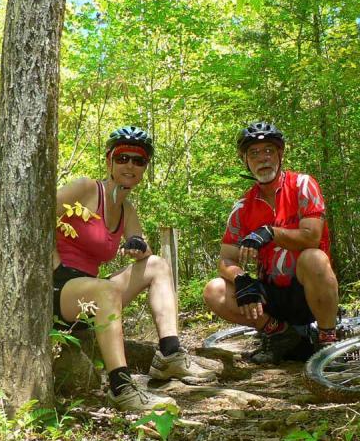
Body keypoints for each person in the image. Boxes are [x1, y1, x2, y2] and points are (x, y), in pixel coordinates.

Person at [53, 126, 215, 411]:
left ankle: (169, 354)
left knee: (157, 265)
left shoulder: (127, 209)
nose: (130, 165)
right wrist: (52, 266)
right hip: (56, 289)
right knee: (103, 291)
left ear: (144, 168)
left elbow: (142, 245)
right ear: (109, 161)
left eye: (139, 160)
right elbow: (35, 216)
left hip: (90, 293)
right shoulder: (86, 189)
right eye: (123, 158)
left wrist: (138, 245)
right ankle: (121, 387)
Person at [203, 122, 339, 363]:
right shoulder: (243, 206)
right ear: (245, 161)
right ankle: (279, 334)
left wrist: (270, 232)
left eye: (268, 150)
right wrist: (241, 279)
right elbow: (226, 258)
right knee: (215, 290)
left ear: (280, 154)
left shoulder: (302, 185)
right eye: (254, 153)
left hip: (307, 289)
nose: (262, 159)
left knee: (314, 257)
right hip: (270, 295)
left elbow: (312, 236)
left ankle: (328, 340)